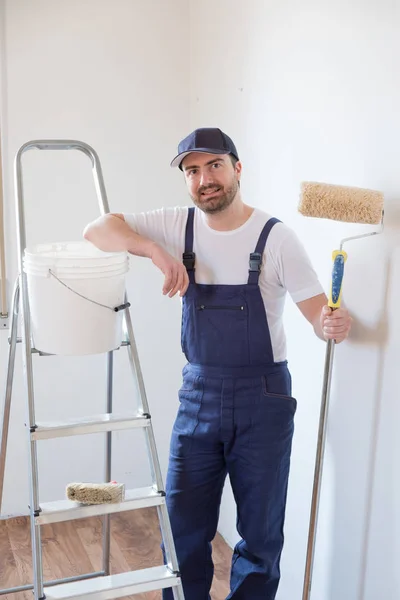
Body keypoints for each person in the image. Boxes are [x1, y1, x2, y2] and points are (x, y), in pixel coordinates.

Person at [83, 127, 352, 600]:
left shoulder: (276, 238)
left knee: (262, 537)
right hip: (198, 398)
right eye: (192, 171)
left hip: (263, 402)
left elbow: (316, 315)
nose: (204, 179)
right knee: (183, 528)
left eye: (214, 166)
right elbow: (97, 230)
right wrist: (153, 250)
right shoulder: (177, 225)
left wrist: (332, 323)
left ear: (237, 169)